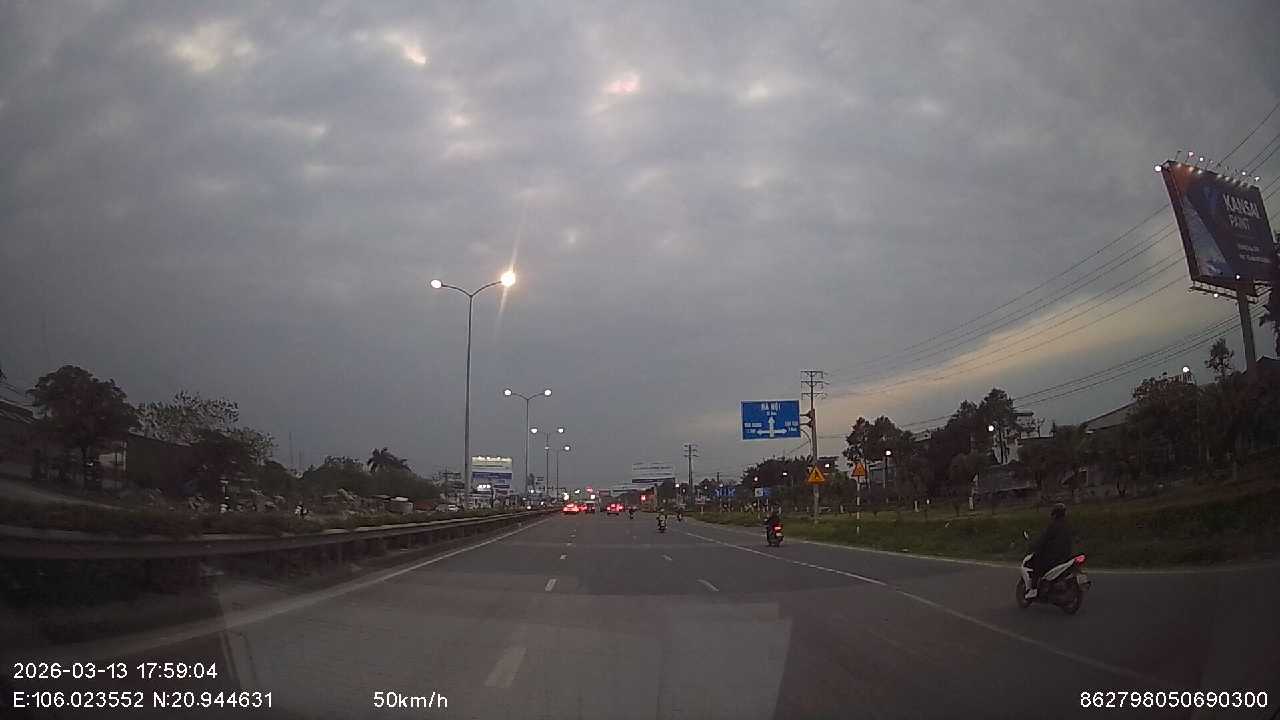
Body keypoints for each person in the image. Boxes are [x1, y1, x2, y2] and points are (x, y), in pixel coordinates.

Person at [1026, 503, 1072, 599]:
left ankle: (1033, 590)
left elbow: (1042, 540)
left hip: (1053, 557)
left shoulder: (1053, 526)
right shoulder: (1067, 525)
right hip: (1066, 556)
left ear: (1054, 514)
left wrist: (1034, 546)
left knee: (1036, 564)